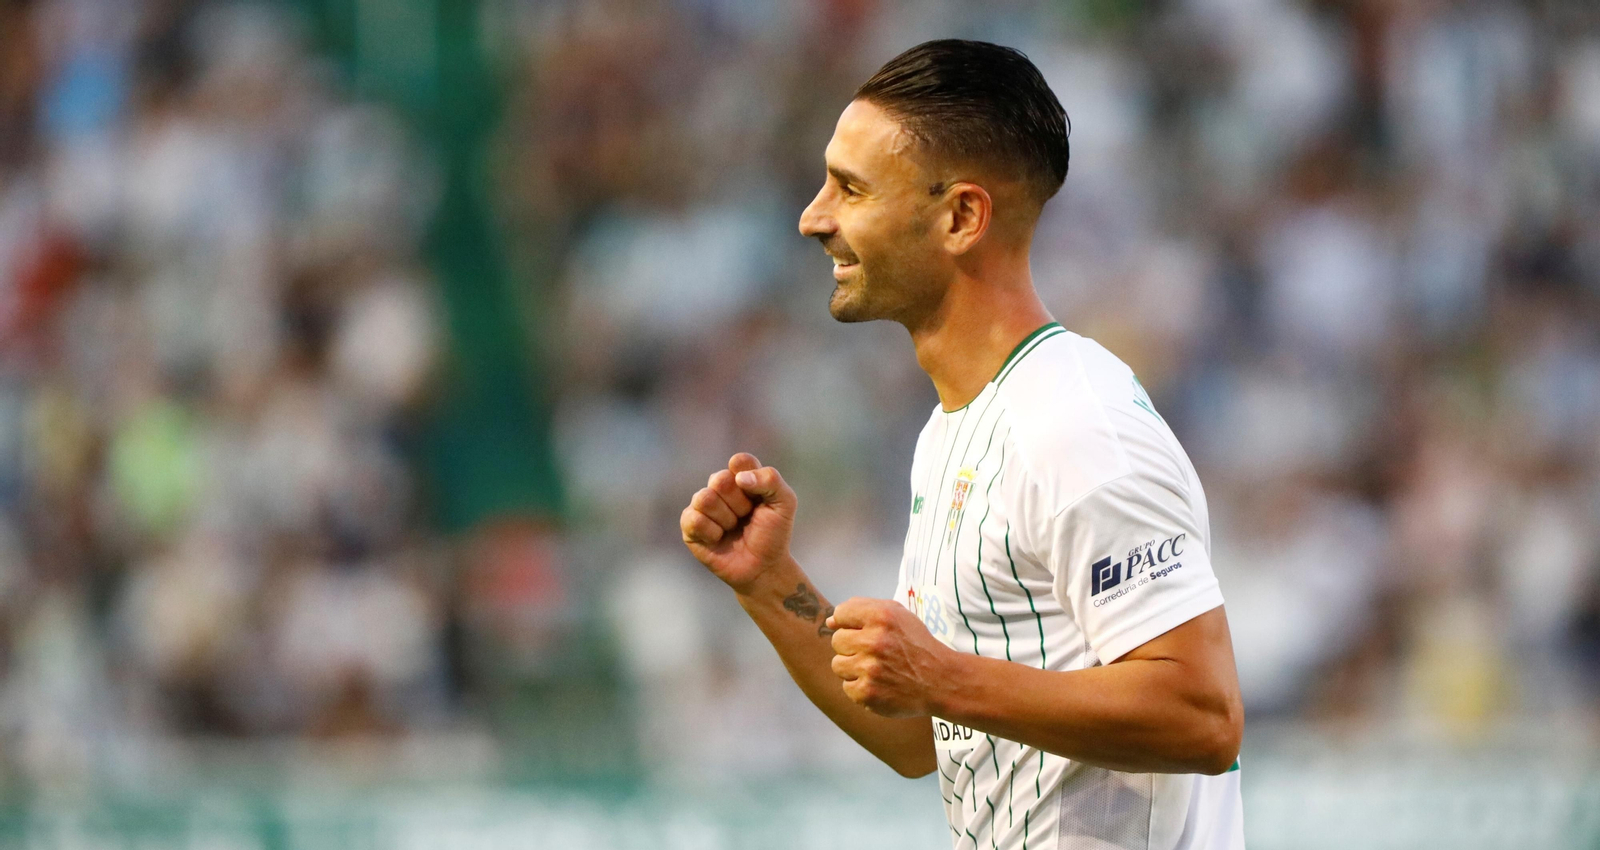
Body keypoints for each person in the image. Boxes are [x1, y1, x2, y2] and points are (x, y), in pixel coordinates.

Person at [679, 39, 1244, 850]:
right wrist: (770, 584)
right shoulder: (953, 430)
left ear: (961, 218)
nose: (813, 217)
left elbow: (1203, 715)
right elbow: (918, 736)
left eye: (850, 188)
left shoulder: (1078, 426)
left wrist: (942, 676)